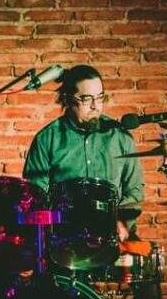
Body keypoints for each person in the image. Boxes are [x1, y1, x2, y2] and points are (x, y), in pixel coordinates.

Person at [23, 64, 145, 253]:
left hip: (113, 238)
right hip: (65, 241)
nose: (96, 106)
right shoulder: (47, 139)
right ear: (68, 99)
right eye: (87, 99)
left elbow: (135, 190)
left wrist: (120, 221)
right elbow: (36, 195)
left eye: (100, 97)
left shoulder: (120, 137)